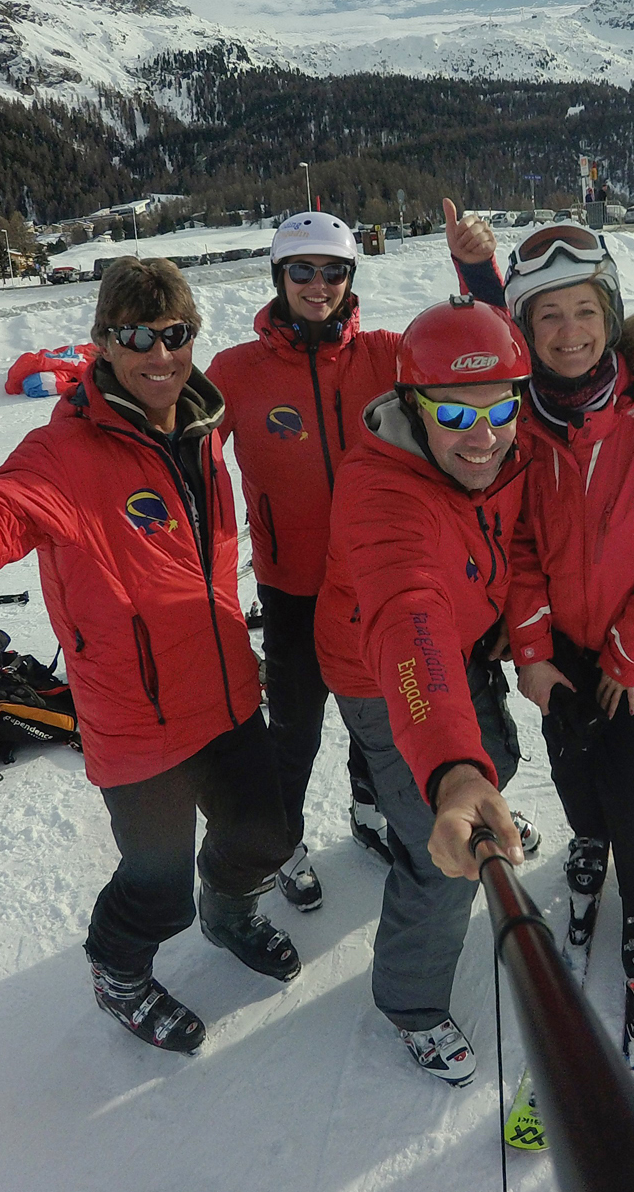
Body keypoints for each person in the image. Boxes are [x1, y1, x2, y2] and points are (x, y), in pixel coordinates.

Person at [0, 256, 300, 1056]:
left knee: (266, 836)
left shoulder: (205, 428)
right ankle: (118, 970)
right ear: (103, 341)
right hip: (138, 723)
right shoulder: (65, 453)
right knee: (157, 887)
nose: (159, 353)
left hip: (227, 694)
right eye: (136, 336)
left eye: (174, 333)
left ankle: (230, 911)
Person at [491, 222, 634, 1076]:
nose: (569, 331)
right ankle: (588, 838)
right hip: (561, 647)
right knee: (571, 762)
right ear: (525, 328)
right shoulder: (521, 427)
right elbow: (518, 548)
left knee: (631, 781)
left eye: (584, 311)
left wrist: (623, 658)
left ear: (611, 315)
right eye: (548, 316)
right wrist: (533, 651)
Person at [314, 295, 532, 1087]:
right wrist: (451, 771)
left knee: (498, 753)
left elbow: (512, 534)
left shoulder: (504, 448)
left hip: (463, 639)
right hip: (384, 669)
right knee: (442, 861)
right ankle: (411, 1003)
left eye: (500, 409)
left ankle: (403, 796)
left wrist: (510, 614)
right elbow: (407, 616)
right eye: (455, 413)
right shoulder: (380, 490)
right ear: (413, 405)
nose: (483, 436)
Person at [207, 212, 400, 911]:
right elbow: (168, 437)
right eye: (302, 270)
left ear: (351, 277)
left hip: (373, 577)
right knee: (294, 728)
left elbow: (477, 362)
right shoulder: (236, 371)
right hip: (291, 587)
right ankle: (282, 841)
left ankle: (370, 807)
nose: (319, 284)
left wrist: (479, 275)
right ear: (279, 277)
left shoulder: (385, 355)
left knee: (377, 709)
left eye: (334, 270)